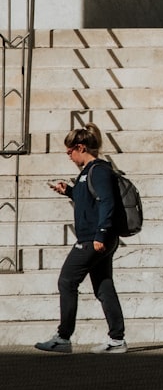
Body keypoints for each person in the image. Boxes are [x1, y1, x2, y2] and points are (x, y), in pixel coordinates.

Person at [35, 123, 127, 354]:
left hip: (93, 239)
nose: (69, 157)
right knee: (104, 288)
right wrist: (68, 190)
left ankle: (63, 338)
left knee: (67, 281)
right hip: (96, 238)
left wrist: (101, 234)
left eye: (69, 152)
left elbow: (108, 202)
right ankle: (117, 340)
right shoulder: (87, 173)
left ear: (80, 147)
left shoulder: (100, 170)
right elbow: (87, 198)